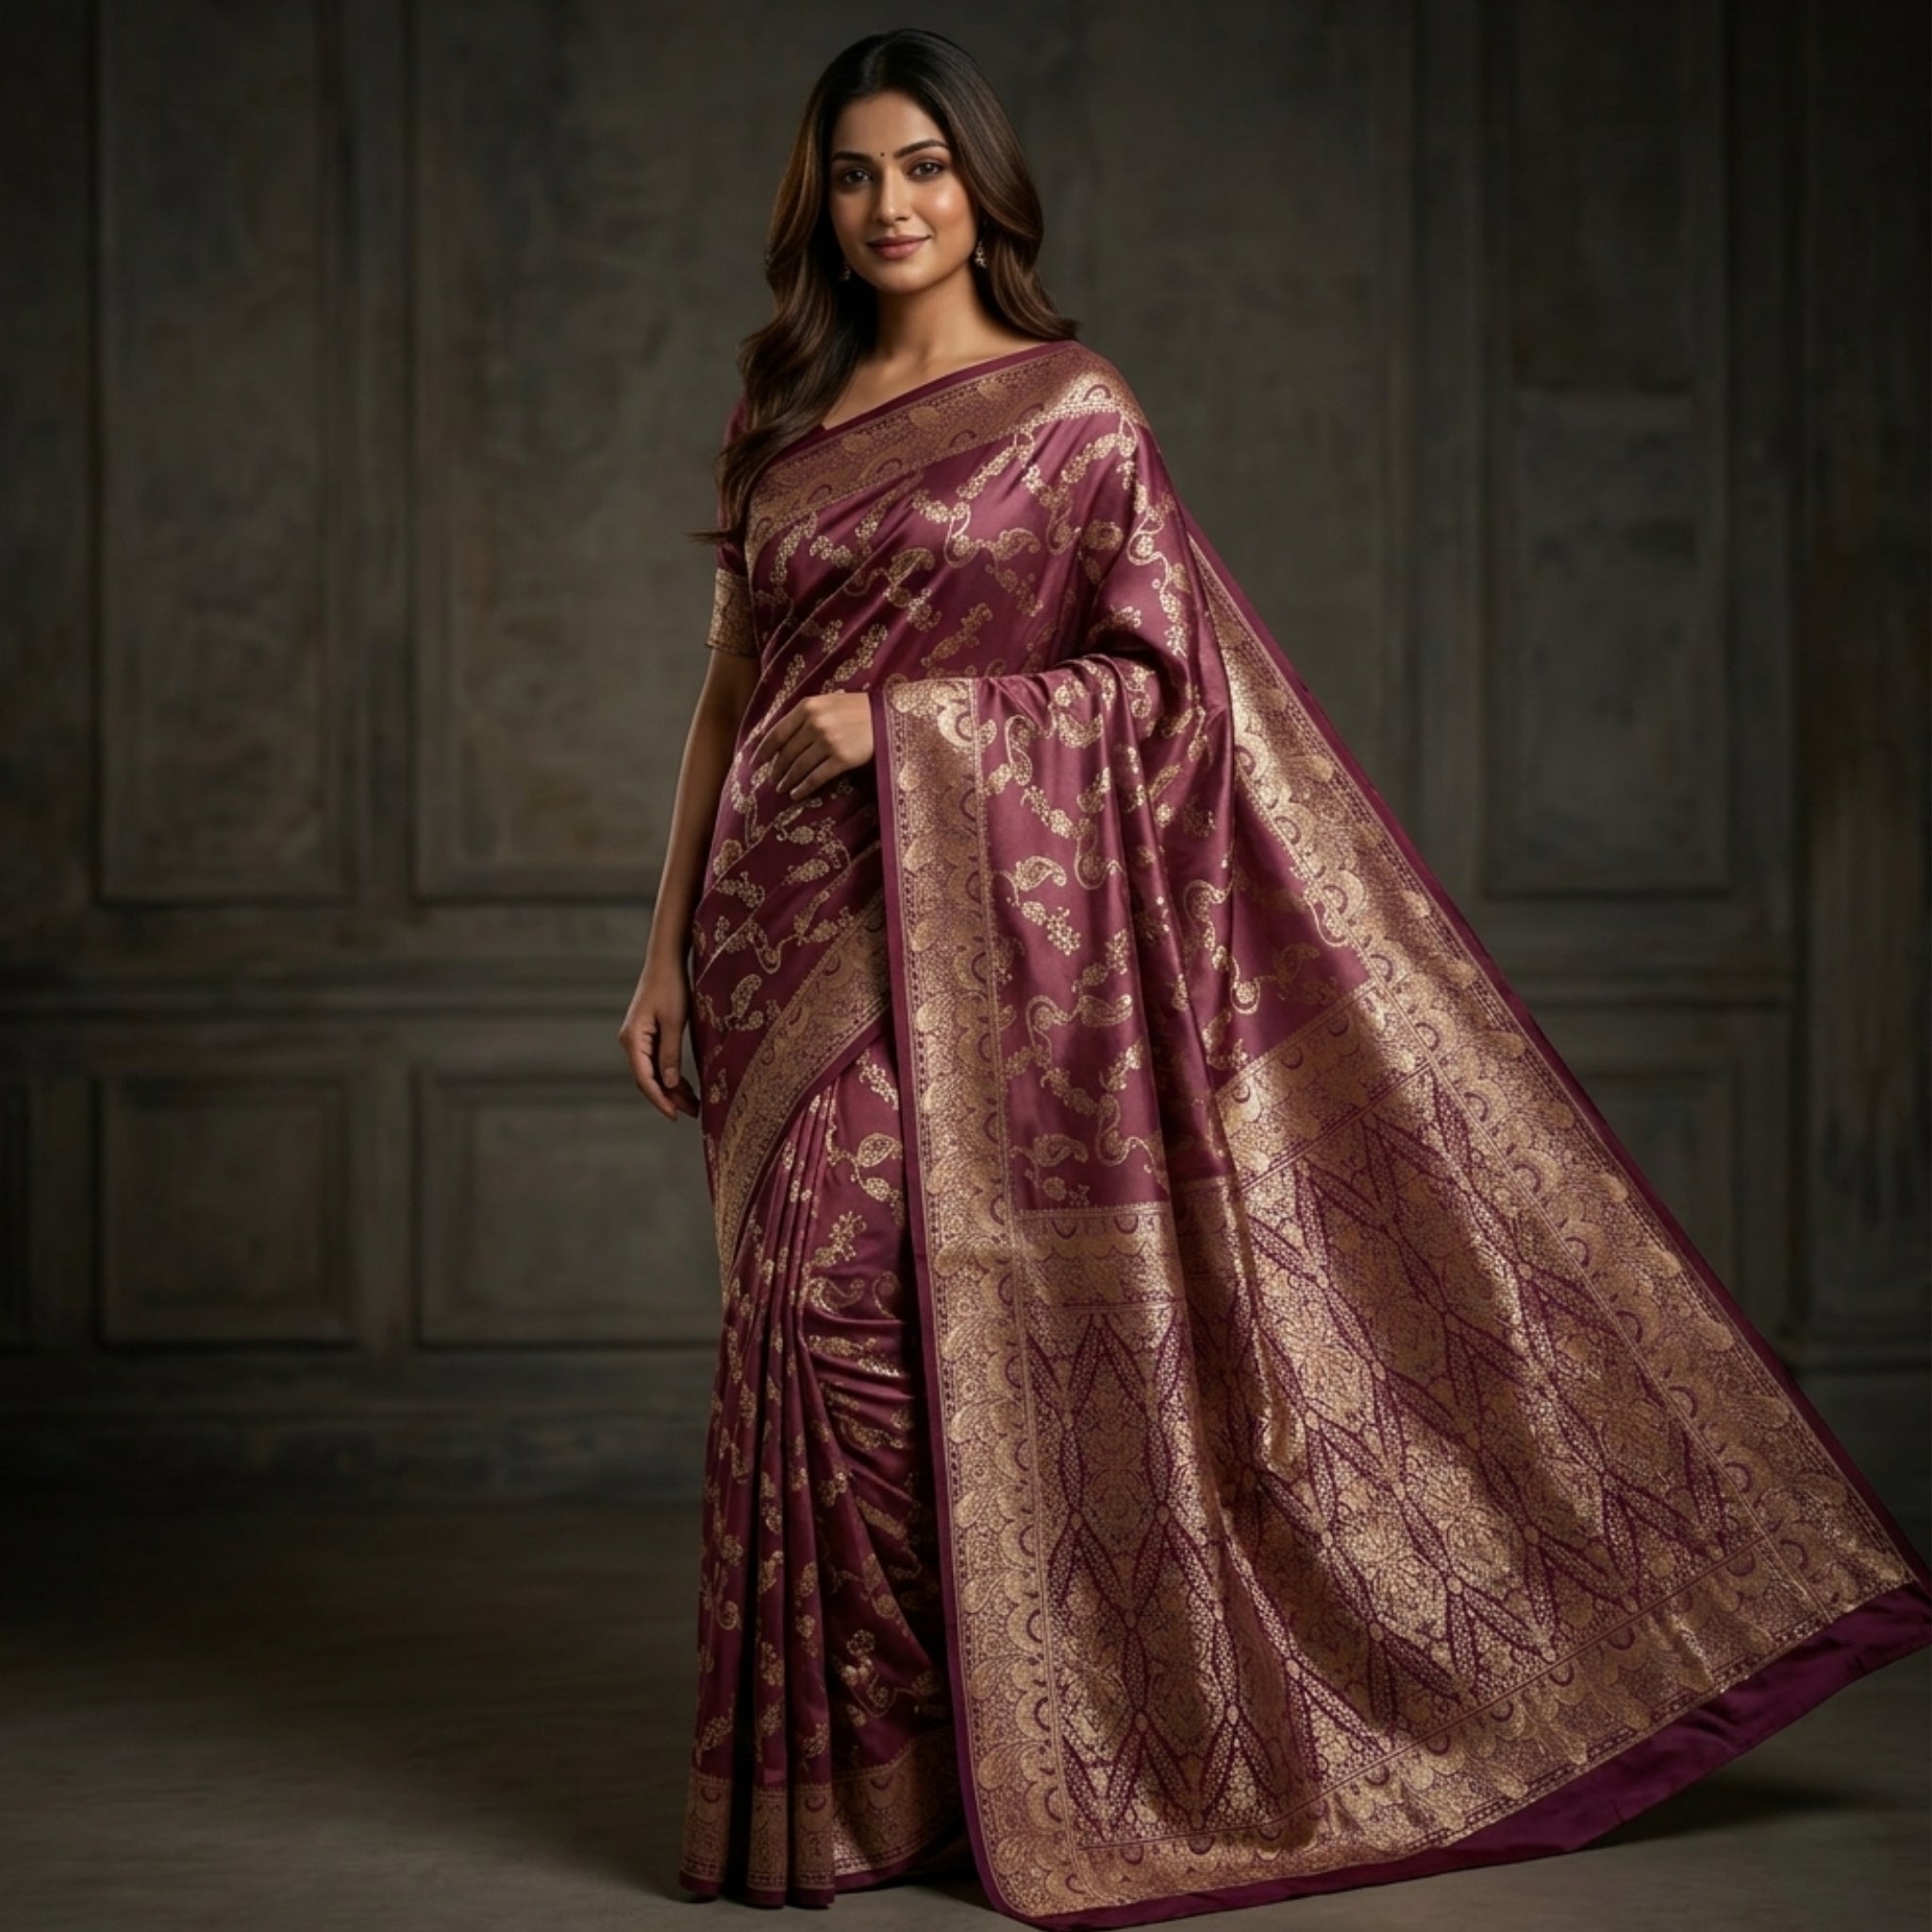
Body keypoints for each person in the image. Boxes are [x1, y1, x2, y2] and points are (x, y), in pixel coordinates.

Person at [618, 27, 1932, 1927]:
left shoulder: (1073, 414)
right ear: (810, 202)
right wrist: (658, 945)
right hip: (773, 939)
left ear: (983, 186)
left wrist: (906, 729)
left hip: (968, 938)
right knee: (803, 1328)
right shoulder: (786, 420)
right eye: (850, 173)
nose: (889, 205)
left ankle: (961, 1754)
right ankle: (883, 1774)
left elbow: (1164, 698)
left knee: (847, 1303)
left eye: (921, 166)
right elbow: (725, 702)